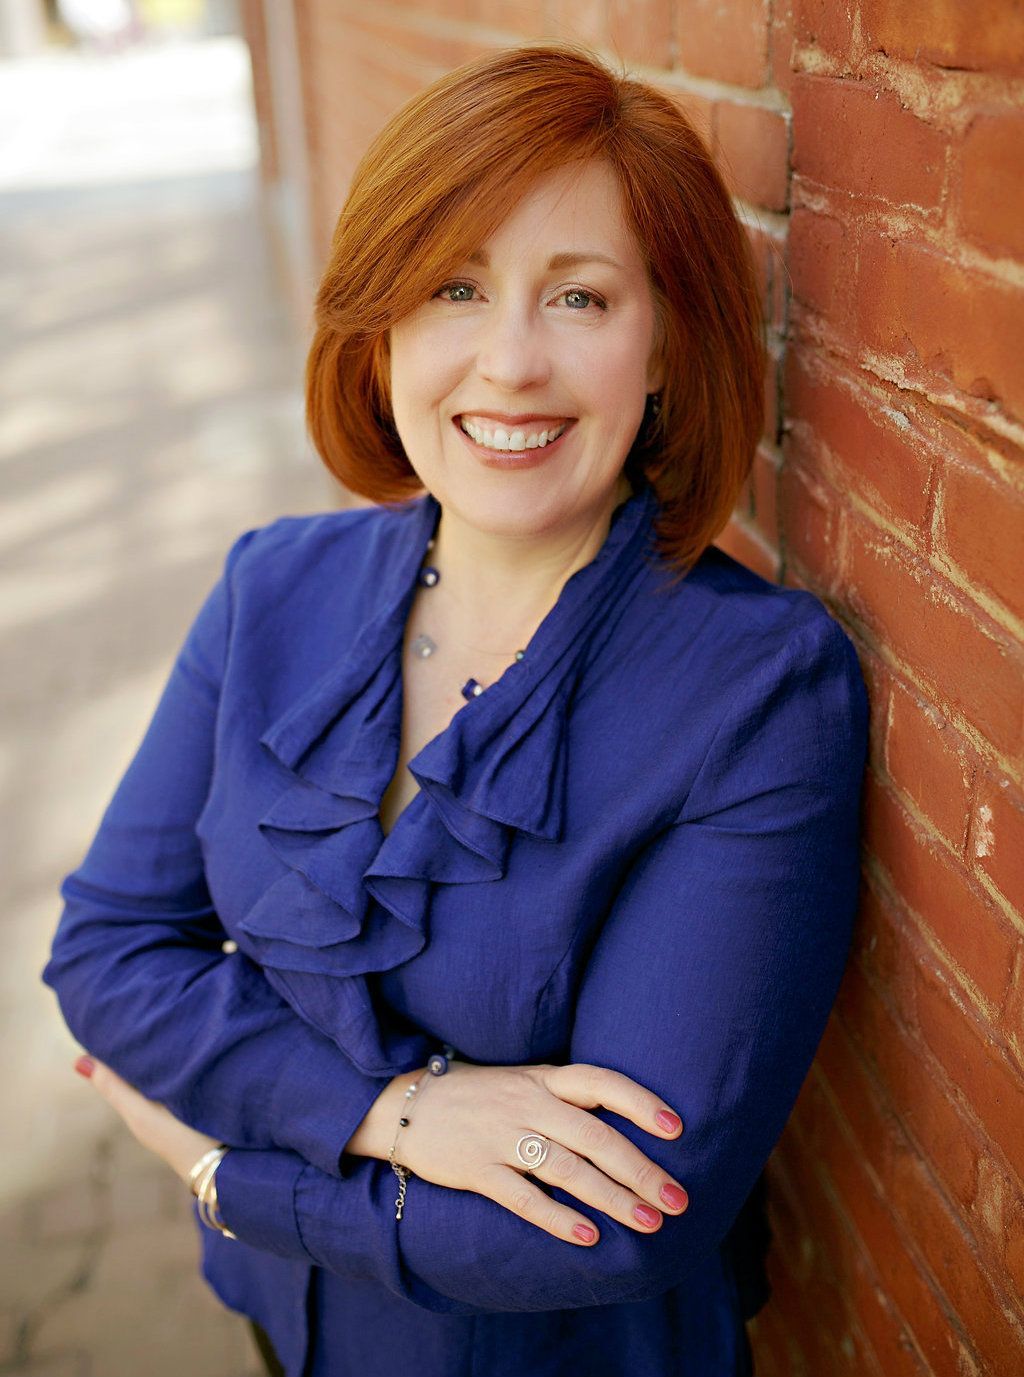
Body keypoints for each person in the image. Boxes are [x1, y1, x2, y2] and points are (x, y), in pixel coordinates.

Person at [42, 42, 868, 1377]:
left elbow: (605, 1227)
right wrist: (391, 1112)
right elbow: (110, 952)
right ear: (383, 329)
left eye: (582, 298)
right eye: (456, 287)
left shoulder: (757, 693)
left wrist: (214, 1160)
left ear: (666, 346)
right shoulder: (273, 586)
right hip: (282, 1322)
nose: (509, 362)